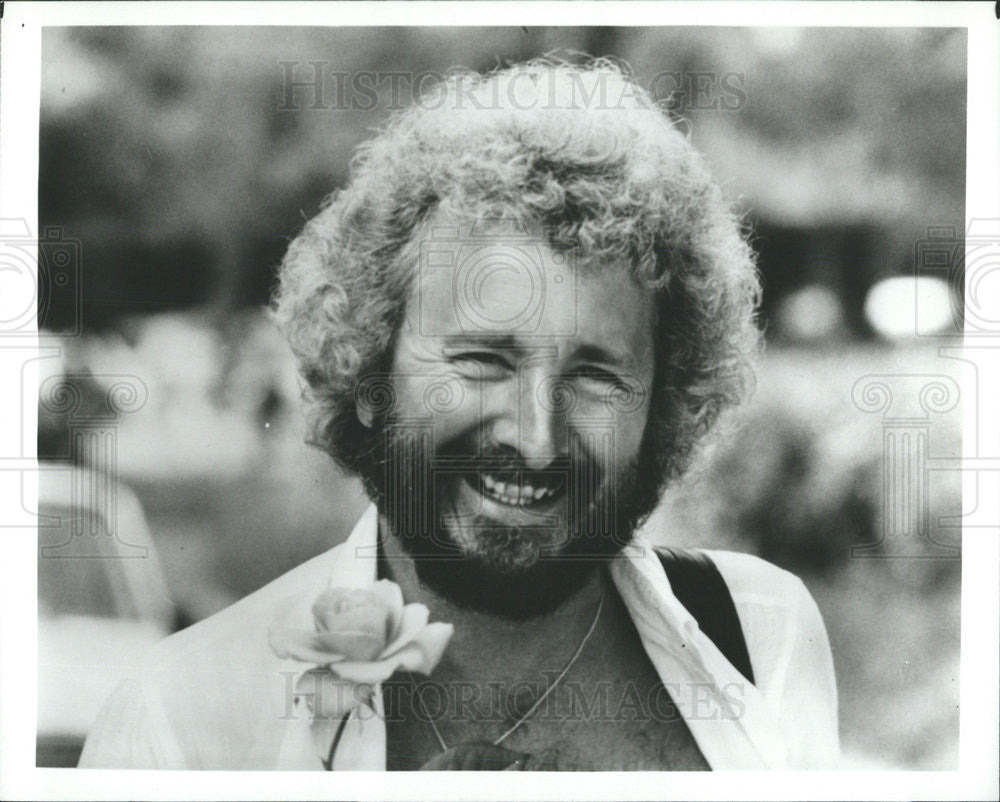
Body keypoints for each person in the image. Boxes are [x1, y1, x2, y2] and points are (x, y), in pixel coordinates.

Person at [79, 60, 838, 771]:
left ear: (665, 406)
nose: (536, 440)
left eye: (597, 374)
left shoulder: (763, 638)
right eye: (483, 361)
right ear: (370, 372)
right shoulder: (186, 724)